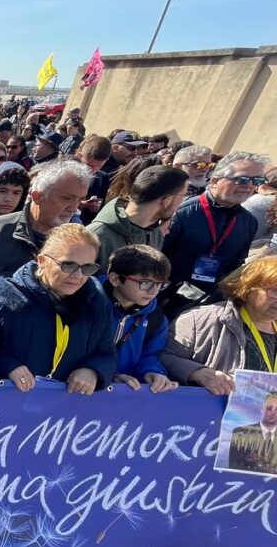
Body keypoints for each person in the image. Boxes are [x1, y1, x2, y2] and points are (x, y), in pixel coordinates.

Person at [0, 223, 117, 394]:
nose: (78, 276)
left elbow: (106, 354)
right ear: (42, 261)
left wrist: (93, 370)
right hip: (8, 405)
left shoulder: (97, 304)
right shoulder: (4, 299)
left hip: (63, 411)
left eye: (87, 267)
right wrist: (8, 366)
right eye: (68, 265)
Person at [162, 152, 269, 314]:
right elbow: (156, 256)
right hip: (164, 298)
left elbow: (236, 264)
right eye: (241, 179)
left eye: (257, 181)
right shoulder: (182, 212)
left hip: (207, 304)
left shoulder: (248, 222)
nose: (249, 186)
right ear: (215, 180)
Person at [162, 255, 277, 396]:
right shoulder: (199, 319)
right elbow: (162, 358)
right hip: (208, 414)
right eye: (275, 291)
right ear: (248, 287)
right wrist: (196, 372)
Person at [0, 159, 93, 285]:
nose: (74, 208)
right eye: (67, 198)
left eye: (80, 199)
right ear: (37, 196)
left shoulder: (79, 241)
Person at [103, 245, 177, 393]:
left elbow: (149, 354)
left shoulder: (156, 318)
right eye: (146, 283)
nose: (154, 291)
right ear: (116, 279)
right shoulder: (90, 304)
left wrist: (152, 372)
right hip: (80, 389)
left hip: (126, 394)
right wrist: (105, 375)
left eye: (160, 284)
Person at [87, 165, 189, 269]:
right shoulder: (96, 235)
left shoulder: (155, 233)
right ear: (167, 201)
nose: (183, 202)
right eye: (183, 195)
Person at [227, 393, 277, 473]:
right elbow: (234, 468)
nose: (273, 413)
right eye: (269, 408)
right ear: (262, 409)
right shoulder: (240, 433)